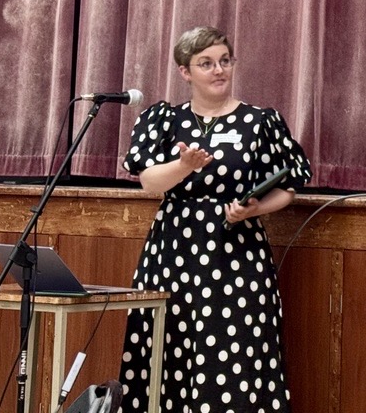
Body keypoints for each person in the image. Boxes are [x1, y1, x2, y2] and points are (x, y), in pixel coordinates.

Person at [119, 26, 311, 412]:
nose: (219, 70)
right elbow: (148, 182)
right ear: (185, 72)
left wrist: (255, 208)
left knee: (233, 350)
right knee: (167, 348)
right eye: (206, 64)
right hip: (172, 249)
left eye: (225, 60)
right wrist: (183, 166)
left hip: (236, 251)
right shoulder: (164, 119)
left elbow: (289, 186)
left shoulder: (261, 121)